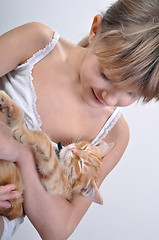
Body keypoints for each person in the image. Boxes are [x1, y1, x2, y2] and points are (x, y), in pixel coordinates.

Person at [0, 0, 159, 239]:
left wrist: (23, 153)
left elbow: (59, 229)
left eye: (131, 93)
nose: (110, 97)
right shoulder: (37, 43)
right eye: (106, 75)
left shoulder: (114, 134)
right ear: (96, 30)